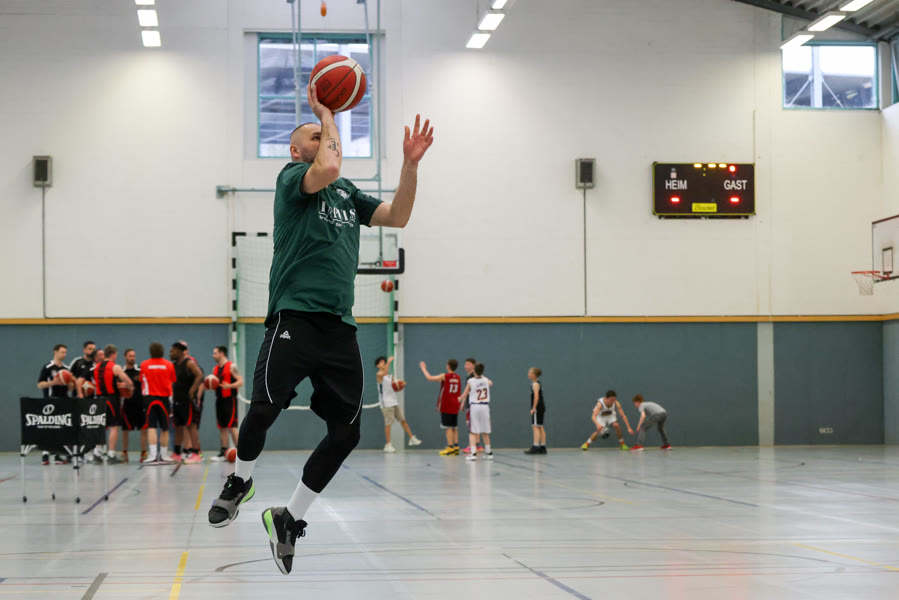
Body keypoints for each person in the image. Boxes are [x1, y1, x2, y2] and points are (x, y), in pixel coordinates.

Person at [207, 81, 434, 576]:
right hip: (294, 316)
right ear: (296, 150)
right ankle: (240, 480)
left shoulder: (347, 193)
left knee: (347, 433)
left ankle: (289, 517)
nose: (325, 139)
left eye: (324, 134)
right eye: (315, 136)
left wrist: (410, 164)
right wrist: (328, 113)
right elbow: (327, 165)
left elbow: (398, 215)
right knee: (263, 408)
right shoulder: (292, 178)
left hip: (338, 328)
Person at [92, 344, 134, 463]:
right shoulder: (115, 367)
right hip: (111, 399)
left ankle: (97, 452)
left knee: (100, 426)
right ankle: (111, 454)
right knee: (114, 426)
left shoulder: (96, 367)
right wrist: (130, 389)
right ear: (113, 354)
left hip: (98, 399)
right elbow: (128, 381)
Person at [36, 344, 74, 465]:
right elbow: (40, 384)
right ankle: (45, 455)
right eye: (62, 352)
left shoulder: (66, 369)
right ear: (55, 352)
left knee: (61, 428)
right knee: (49, 428)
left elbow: (71, 388)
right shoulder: (48, 367)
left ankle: (58, 455)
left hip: (63, 401)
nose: (64, 354)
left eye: (65, 352)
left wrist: (70, 382)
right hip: (50, 401)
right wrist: (53, 382)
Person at [139, 342, 177, 464]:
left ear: (150, 352)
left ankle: (153, 455)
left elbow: (141, 379)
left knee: (152, 427)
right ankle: (164, 455)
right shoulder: (169, 365)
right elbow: (173, 380)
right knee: (165, 428)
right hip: (164, 399)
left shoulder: (144, 364)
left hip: (149, 398)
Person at [376, 356, 422, 453]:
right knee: (388, 424)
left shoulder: (389, 375)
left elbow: (395, 384)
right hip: (386, 403)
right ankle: (388, 444)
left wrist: (401, 384)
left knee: (403, 420)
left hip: (394, 401)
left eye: (384, 362)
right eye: (381, 362)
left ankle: (411, 438)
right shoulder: (379, 374)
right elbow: (383, 373)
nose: (383, 363)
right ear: (377, 366)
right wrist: (389, 362)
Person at [419, 359, 462, 456]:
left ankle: (450, 448)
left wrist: (423, 368)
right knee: (454, 427)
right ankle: (456, 447)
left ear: (448, 366)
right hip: (455, 404)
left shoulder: (445, 376)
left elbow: (429, 378)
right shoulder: (458, 377)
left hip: (447, 404)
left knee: (448, 427)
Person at [169, 342, 203, 464]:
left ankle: (196, 453)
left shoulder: (189, 363)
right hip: (177, 400)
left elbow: (199, 375)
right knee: (178, 426)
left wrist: (192, 390)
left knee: (191, 426)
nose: (170, 353)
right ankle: (177, 453)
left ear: (179, 351)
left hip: (187, 400)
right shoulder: (174, 365)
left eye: (172, 351)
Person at [209, 345, 244, 462]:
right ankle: (223, 453)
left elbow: (241, 381)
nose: (213, 355)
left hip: (230, 400)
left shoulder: (231, 366)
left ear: (222, 353)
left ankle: (241, 453)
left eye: (215, 353)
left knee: (232, 427)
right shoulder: (215, 369)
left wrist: (229, 386)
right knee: (222, 427)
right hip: (219, 400)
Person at [459, 362, 493, 461]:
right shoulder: (486, 380)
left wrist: (459, 399)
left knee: (472, 432)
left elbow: (464, 394)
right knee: (485, 431)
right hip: (485, 407)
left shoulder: (470, 381)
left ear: (474, 371)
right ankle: (489, 453)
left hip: (475, 406)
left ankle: (473, 454)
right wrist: (482, 375)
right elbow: (491, 383)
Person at [122, 349, 148, 463]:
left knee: (143, 429)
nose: (132, 358)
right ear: (125, 357)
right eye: (130, 356)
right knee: (125, 430)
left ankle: (144, 453)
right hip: (127, 405)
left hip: (140, 404)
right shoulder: (121, 372)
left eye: (133, 356)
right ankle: (124, 453)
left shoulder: (140, 371)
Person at [461, 357, 483, 455]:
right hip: (471, 404)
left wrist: (462, 400)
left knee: (471, 425)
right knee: (473, 424)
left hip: (473, 404)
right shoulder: (469, 376)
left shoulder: (473, 377)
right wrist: (463, 402)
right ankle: (478, 445)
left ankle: (473, 445)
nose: (466, 366)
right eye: (465, 364)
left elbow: (469, 391)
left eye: (468, 364)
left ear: (474, 366)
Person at [524, 367, 547, 455]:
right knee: (540, 426)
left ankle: (535, 446)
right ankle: (543, 447)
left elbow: (536, 397)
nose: (528, 374)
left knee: (535, 426)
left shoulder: (535, 384)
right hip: (541, 406)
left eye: (530, 373)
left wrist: (533, 408)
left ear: (534, 375)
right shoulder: (537, 383)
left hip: (538, 407)